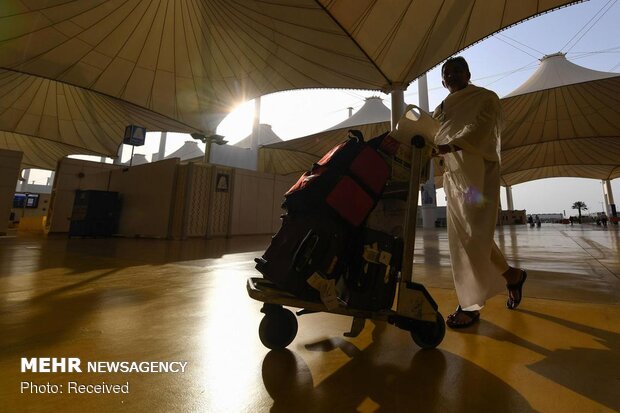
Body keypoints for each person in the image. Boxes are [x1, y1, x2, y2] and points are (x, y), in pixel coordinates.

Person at [432, 56, 527, 329]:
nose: (451, 77)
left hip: (478, 178)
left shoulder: (486, 98)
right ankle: (512, 276)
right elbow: (433, 131)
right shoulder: (442, 107)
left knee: (473, 236)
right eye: (446, 74)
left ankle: (470, 306)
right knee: (466, 236)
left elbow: (482, 128)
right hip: (456, 179)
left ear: (468, 73)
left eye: (456, 72)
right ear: (442, 81)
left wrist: (452, 145)